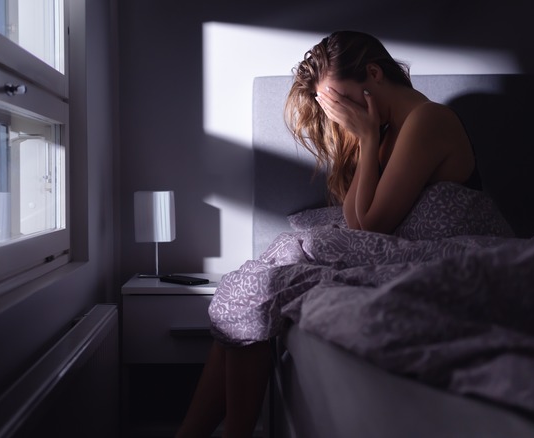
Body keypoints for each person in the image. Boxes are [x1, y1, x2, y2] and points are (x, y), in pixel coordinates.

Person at [176, 30, 479, 438]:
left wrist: (368, 138)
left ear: (373, 73)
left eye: (342, 101)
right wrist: (368, 139)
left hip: (455, 252)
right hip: (404, 253)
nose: (341, 117)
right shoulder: (389, 134)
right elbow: (356, 220)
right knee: (258, 288)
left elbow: (367, 226)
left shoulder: (429, 120)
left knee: (268, 282)